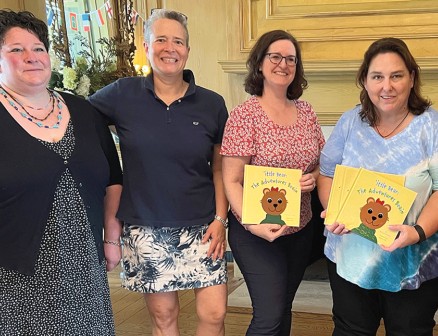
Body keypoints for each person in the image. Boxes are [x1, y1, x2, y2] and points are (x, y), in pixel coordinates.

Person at [88, 8, 229, 336]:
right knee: (164, 318)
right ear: (147, 47)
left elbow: (221, 166)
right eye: (161, 39)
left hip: (204, 226)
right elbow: (78, 118)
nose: (170, 48)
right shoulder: (122, 94)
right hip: (147, 228)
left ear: (188, 51)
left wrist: (221, 219)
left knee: (215, 313)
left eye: (178, 41)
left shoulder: (212, 103)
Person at [0, 10, 123, 335]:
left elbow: (113, 178)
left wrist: (111, 238)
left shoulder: (83, 110)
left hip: (85, 264)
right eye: (16, 50)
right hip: (15, 271)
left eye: (38, 49)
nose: (31, 57)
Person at [318, 37, 438, 335]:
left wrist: (418, 231)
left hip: (412, 261)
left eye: (396, 75)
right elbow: (326, 173)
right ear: (365, 81)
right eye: (377, 77)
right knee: (350, 330)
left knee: (410, 330)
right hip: (350, 256)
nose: (387, 86)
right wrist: (335, 211)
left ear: (412, 78)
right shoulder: (349, 122)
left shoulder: (432, 126)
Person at [221, 30, 325, 335]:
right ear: (260, 63)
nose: (283, 64)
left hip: (299, 228)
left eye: (290, 59)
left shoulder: (306, 112)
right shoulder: (244, 115)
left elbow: (320, 164)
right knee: (268, 316)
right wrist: (254, 226)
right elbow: (231, 180)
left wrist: (312, 178)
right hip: (255, 232)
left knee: (282, 310)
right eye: (275, 57)